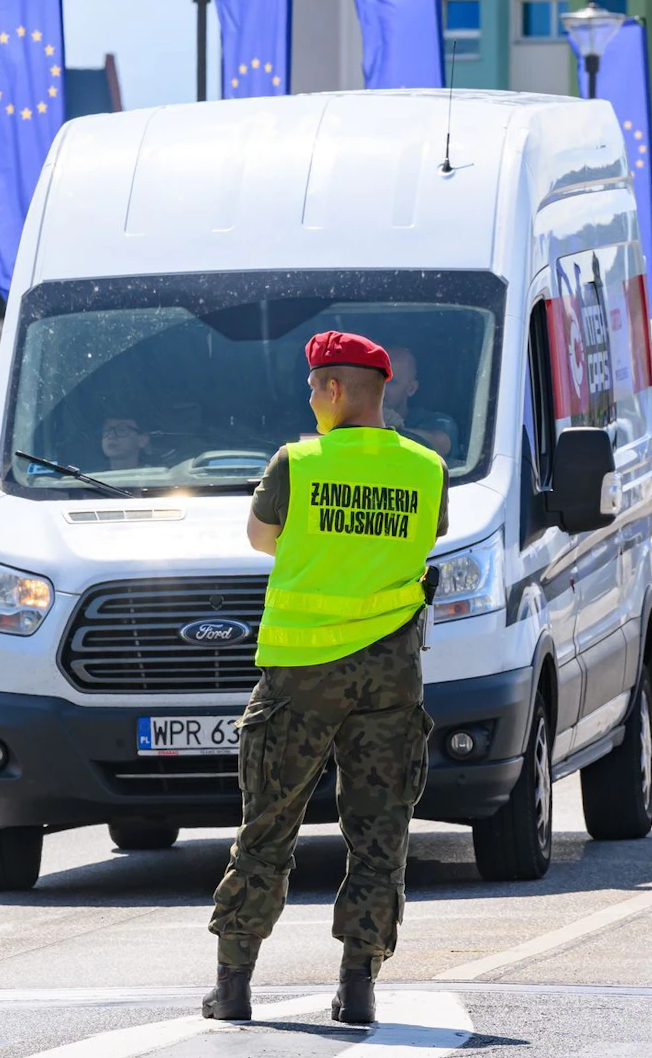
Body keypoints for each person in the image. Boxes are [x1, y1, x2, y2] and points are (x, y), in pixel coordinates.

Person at [205, 330, 449, 1027]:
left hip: (301, 676)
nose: (310, 399)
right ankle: (359, 985)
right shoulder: (426, 468)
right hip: (389, 676)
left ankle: (233, 985)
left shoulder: (298, 463)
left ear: (336, 390)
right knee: (379, 831)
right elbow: (423, 540)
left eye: (315, 387)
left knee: (267, 829)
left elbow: (260, 537)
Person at [382, 345, 457, 458]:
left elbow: (440, 444)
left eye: (391, 382)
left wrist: (394, 429)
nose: (380, 388)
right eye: (376, 380)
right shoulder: (354, 415)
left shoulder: (436, 421)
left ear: (411, 388)